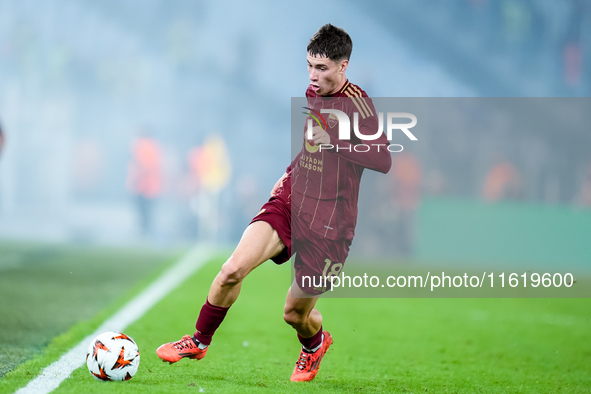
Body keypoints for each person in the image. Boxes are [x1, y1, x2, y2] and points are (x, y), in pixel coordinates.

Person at [156, 24, 392, 382]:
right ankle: (198, 340)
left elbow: (382, 158)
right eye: (310, 66)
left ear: (343, 67)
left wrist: (337, 141)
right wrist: (289, 170)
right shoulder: (314, 92)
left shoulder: (357, 105)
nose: (313, 75)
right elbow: (312, 142)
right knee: (232, 269)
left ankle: (314, 344)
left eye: (322, 68)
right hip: (293, 200)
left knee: (295, 314)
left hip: (331, 222)